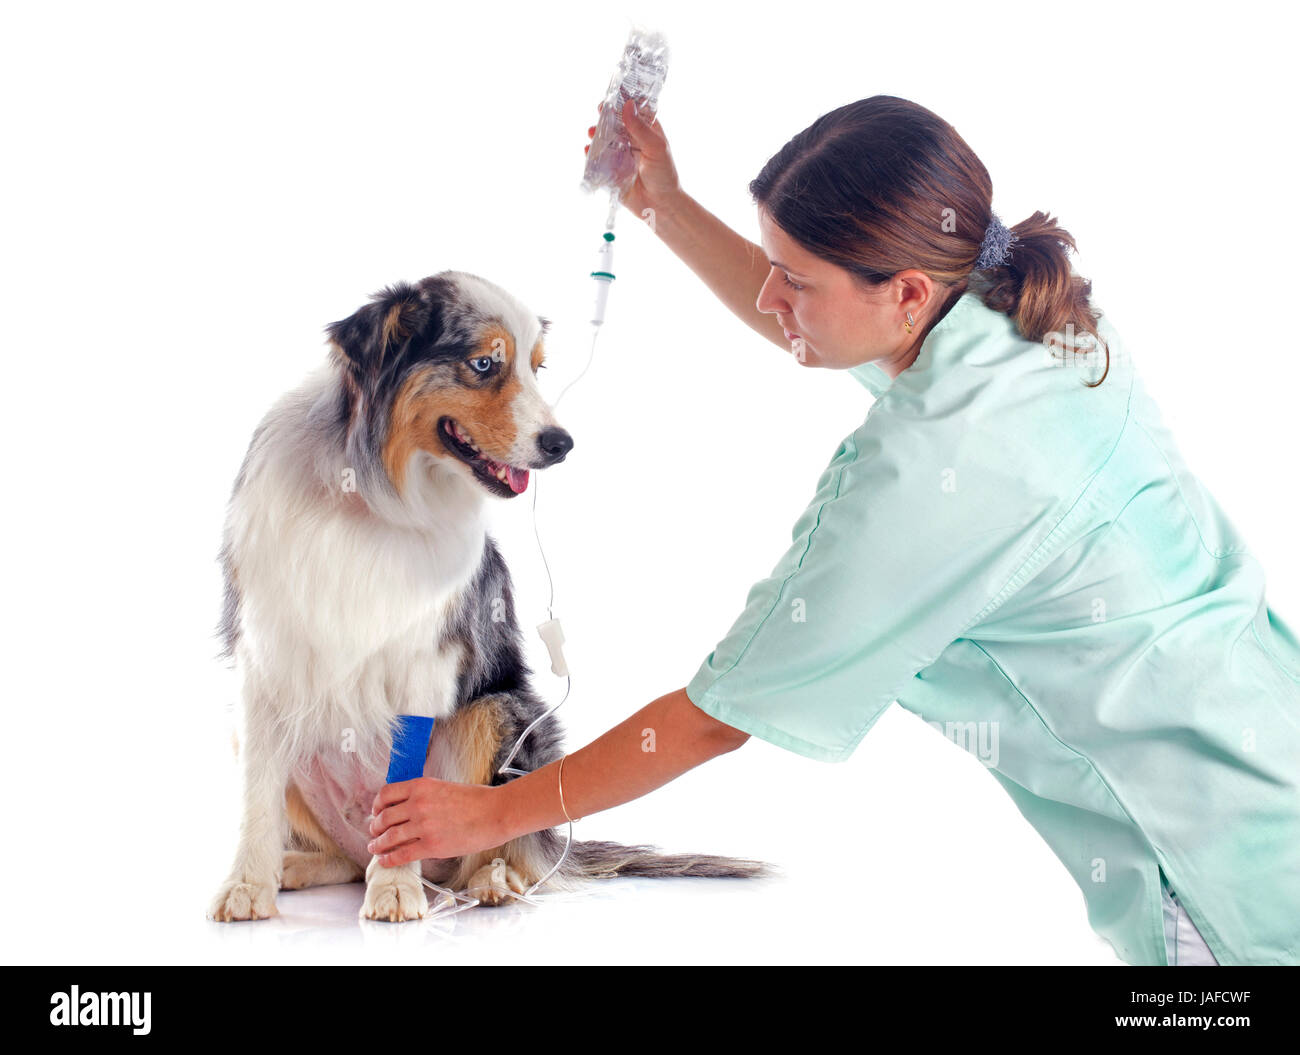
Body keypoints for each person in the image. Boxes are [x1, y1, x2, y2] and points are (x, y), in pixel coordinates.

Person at [368, 94, 1300, 967]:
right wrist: (665, 205)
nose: (773, 296)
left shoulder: (924, 478)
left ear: (901, 291)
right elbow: (824, 325)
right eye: (775, 266)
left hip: (1220, 893)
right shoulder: (1027, 307)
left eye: (794, 279)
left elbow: (708, 721)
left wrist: (487, 816)